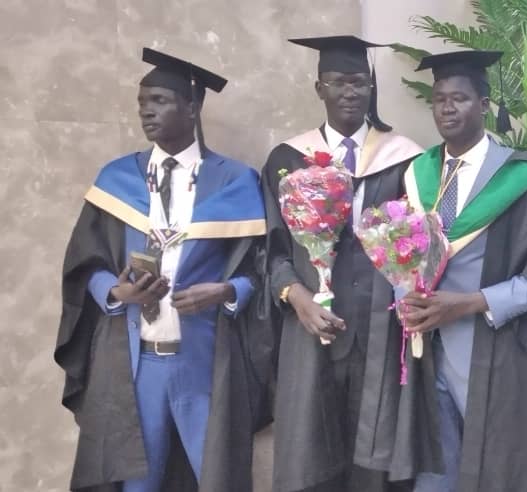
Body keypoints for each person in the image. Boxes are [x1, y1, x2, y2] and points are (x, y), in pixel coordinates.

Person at [56, 48, 269, 491]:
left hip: (204, 359)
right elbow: (85, 261)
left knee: (217, 478)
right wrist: (116, 293)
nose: (146, 111)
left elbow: (261, 267)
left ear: (192, 107)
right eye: (142, 103)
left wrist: (226, 291)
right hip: (136, 363)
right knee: (137, 481)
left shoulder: (235, 181)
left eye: (159, 100)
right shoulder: (117, 180)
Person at [394, 49, 527, 492]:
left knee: (498, 471)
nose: (448, 108)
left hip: (495, 348)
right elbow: (400, 252)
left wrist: (474, 302)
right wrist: (404, 296)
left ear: (485, 105)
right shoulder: (418, 174)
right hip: (425, 352)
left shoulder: (526, 178)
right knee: (435, 473)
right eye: (439, 99)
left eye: (459, 98)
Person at [260, 35, 423, 492]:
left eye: (359, 82)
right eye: (338, 82)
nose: (349, 92)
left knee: (375, 456)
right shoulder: (287, 160)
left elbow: (417, 242)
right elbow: (270, 250)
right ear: (319, 89)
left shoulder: (405, 159)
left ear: (371, 88)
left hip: (381, 331)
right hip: (310, 327)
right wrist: (297, 297)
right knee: (310, 452)